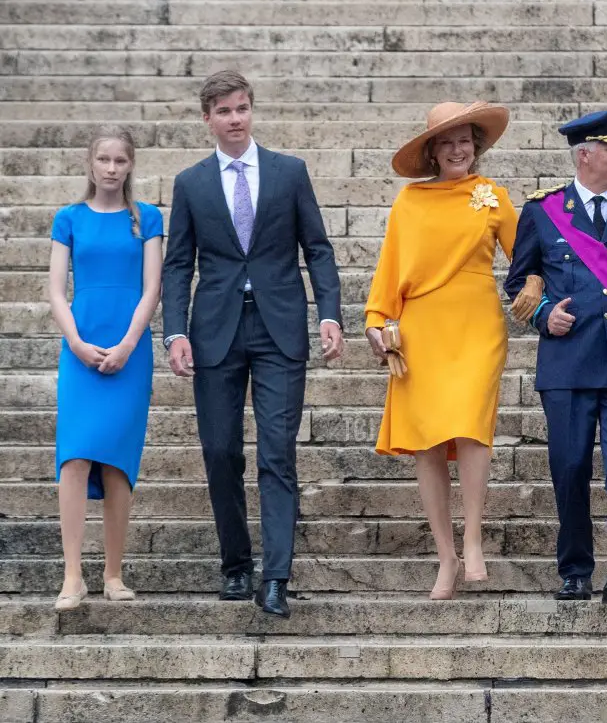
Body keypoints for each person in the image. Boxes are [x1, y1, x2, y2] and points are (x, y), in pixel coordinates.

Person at [161, 70, 344, 618]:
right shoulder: (190, 183)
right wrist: (174, 331)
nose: (235, 119)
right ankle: (236, 563)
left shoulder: (289, 173)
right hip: (214, 329)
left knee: (276, 453)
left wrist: (330, 314)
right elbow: (177, 265)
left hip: (279, 327)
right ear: (207, 119)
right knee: (220, 453)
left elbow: (319, 248)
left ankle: (277, 576)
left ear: (251, 110)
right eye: (224, 112)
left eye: (242, 108)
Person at [504, 106, 607, 608]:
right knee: (570, 465)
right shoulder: (543, 211)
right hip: (568, 363)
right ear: (585, 155)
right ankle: (575, 568)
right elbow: (516, 284)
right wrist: (543, 315)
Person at [364, 101, 517, 600]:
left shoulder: (493, 196)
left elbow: (528, 260)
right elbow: (389, 269)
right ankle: (446, 557)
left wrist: (538, 283)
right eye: (448, 142)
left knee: (472, 425)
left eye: (466, 140)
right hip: (421, 328)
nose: (458, 149)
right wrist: (375, 321)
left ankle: (473, 538)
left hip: (477, 326)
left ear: (477, 146)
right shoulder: (409, 202)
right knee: (428, 442)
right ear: (432, 151)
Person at [47, 126, 163, 611]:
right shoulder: (68, 218)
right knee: (73, 458)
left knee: (117, 463)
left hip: (130, 351)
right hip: (80, 350)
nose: (112, 168)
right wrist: (75, 341)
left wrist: (128, 344)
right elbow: (55, 289)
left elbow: (152, 289)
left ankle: (113, 573)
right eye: (104, 160)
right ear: (90, 164)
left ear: (131, 164)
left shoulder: (148, 219)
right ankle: (73, 576)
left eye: (120, 160)